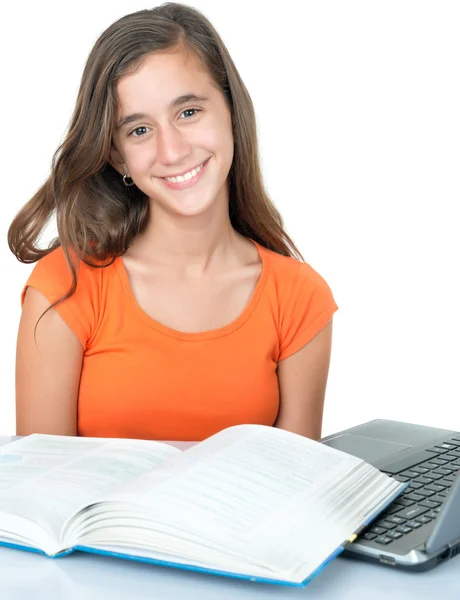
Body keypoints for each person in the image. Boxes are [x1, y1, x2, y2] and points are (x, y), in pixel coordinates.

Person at [8, 3, 338, 442]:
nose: (172, 151)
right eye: (139, 130)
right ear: (116, 155)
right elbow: (41, 491)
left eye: (188, 112)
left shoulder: (299, 298)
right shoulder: (64, 288)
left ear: (232, 114)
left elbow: (297, 487)